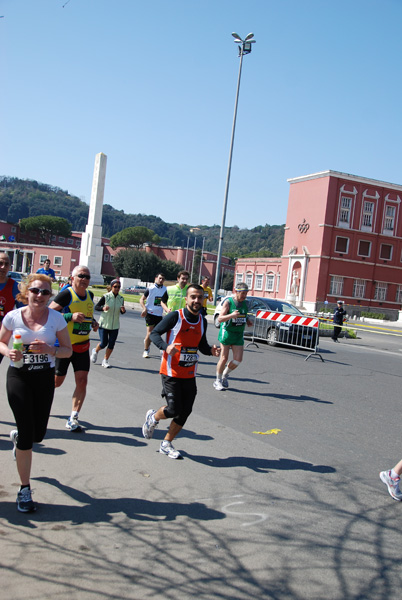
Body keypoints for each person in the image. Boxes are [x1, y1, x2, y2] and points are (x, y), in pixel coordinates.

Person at [0, 273, 72, 512]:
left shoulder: (57, 319)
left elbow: (67, 351)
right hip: (18, 377)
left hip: (43, 379)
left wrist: (51, 349)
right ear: (25, 292)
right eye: (35, 291)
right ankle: (24, 489)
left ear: (50, 295)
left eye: (45, 292)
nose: (39, 296)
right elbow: (0, 342)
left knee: (37, 435)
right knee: (27, 432)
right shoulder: (13, 317)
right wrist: (8, 352)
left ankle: (19, 438)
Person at [142, 284, 220, 459]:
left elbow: (201, 345)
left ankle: (166, 443)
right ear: (186, 299)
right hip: (171, 371)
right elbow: (155, 334)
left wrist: (211, 351)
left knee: (186, 410)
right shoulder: (175, 317)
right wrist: (165, 347)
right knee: (173, 408)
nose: (196, 300)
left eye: (200, 297)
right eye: (193, 297)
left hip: (190, 373)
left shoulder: (202, 320)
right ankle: (153, 418)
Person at [49, 265, 99, 432]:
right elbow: (48, 312)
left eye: (87, 276)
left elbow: (87, 314)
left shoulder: (90, 295)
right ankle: (38, 397)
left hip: (82, 346)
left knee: (82, 381)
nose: (84, 279)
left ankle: (73, 417)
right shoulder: (67, 294)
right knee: (57, 382)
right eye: (81, 276)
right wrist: (70, 316)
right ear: (73, 278)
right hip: (64, 346)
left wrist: (92, 322)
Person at [213, 282, 252, 391]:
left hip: (238, 334)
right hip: (227, 332)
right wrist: (231, 315)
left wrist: (247, 320)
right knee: (224, 358)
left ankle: (225, 375)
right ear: (236, 292)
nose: (244, 296)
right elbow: (220, 319)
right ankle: (218, 380)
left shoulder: (245, 303)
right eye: (242, 293)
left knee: (238, 360)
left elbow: (244, 314)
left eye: (246, 293)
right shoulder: (228, 302)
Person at [91, 279, 126, 368]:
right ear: (111, 287)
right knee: (103, 343)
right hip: (104, 324)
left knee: (111, 344)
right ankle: (95, 350)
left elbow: (121, 311)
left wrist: (123, 311)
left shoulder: (121, 298)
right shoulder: (106, 296)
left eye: (119, 287)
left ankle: (105, 360)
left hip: (115, 325)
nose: (117, 289)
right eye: (115, 287)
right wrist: (103, 308)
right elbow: (97, 307)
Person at [0, 252, 24, 363]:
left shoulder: (15, 287)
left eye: (6, 264)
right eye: (0, 263)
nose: (3, 267)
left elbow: (24, 312)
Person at [140, 273, 167, 358]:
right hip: (150, 313)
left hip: (159, 314)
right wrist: (144, 308)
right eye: (160, 278)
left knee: (157, 333)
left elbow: (166, 302)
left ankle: (151, 343)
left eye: (163, 278)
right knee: (150, 333)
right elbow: (141, 299)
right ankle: (146, 350)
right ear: (156, 278)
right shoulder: (150, 288)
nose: (161, 280)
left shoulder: (166, 290)